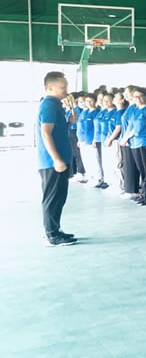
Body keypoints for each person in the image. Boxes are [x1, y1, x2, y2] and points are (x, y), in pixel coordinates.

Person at [37, 72, 76, 246]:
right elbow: (45, 133)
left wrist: (69, 123)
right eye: (62, 87)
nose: (66, 90)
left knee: (59, 197)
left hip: (57, 159)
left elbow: (56, 131)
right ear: (50, 88)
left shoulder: (56, 105)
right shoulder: (49, 105)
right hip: (51, 161)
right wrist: (56, 159)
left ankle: (55, 229)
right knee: (52, 198)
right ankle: (51, 234)